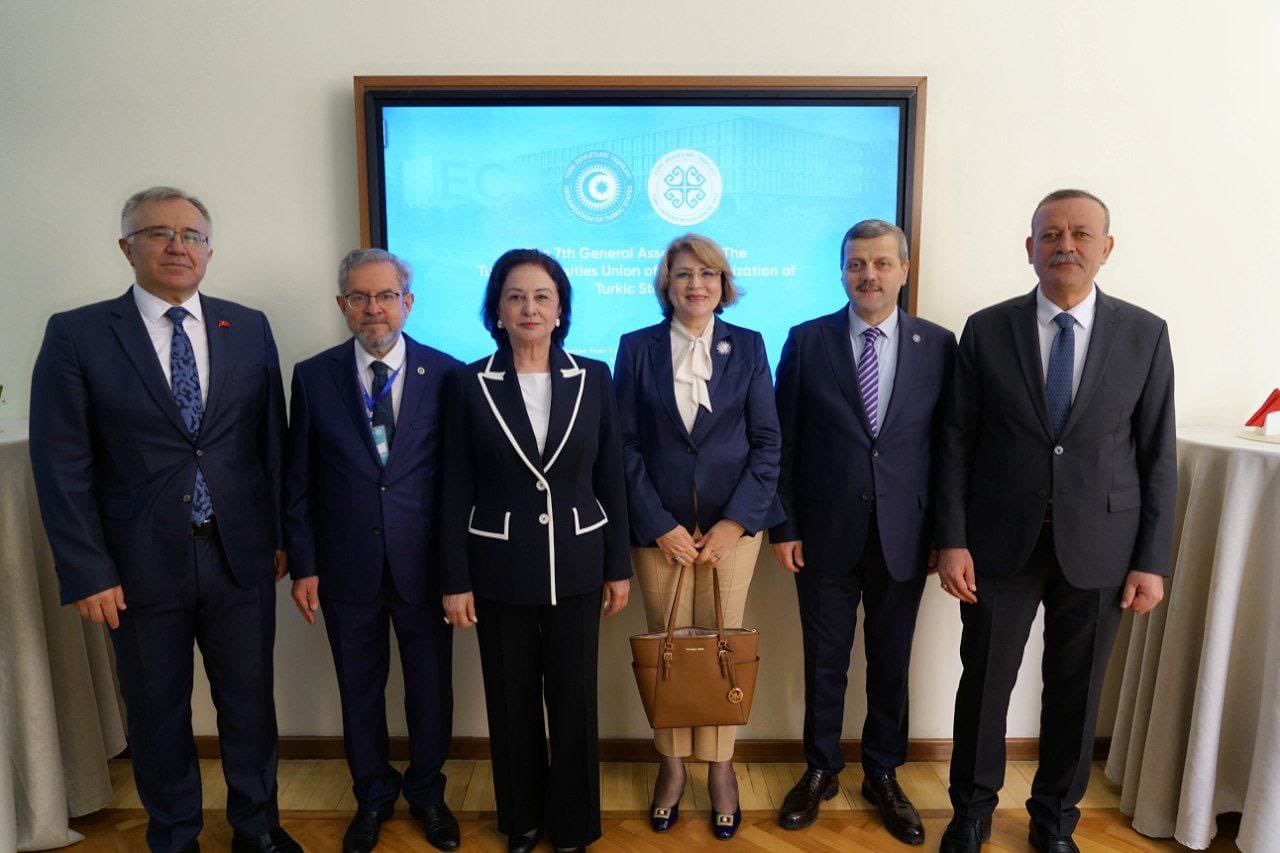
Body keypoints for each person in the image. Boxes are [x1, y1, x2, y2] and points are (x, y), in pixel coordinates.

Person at [28, 187, 298, 853]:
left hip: (239, 554)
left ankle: (257, 827)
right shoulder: (78, 333)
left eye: (192, 235)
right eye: (158, 233)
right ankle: (174, 834)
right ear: (127, 247)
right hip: (136, 563)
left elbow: (272, 443)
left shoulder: (249, 326)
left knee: (250, 703)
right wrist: (87, 569)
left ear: (209, 250)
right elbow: (62, 464)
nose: (178, 246)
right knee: (156, 710)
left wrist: (281, 537)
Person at [935, 190, 1175, 853]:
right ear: (1030, 247)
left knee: (1077, 691)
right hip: (997, 545)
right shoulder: (987, 329)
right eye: (1050, 234)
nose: (1065, 245)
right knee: (985, 684)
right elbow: (956, 441)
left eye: (1081, 233)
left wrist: (1151, 559)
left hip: (1102, 545)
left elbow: (1157, 453)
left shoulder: (1145, 333)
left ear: (1106, 247)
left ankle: (1054, 820)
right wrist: (951, 539)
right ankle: (971, 812)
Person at [770, 220, 956, 844]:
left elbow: (948, 448)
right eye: (856, 264)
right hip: (823, 533)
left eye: (880, 263)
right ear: (842, 271)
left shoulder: (939, 345)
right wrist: (785, 526)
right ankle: (821, 768)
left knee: (891, 662)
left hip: (907, 535)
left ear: (904, 270)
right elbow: (784, 442)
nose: (868, 275)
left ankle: (882, 771)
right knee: (824, 660)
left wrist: (946, 533)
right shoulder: (807, 340)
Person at [439, 249, 631, 853]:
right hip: (498, 566)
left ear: (560, 309)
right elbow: (454, 486)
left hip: (578, 562)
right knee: (510, 701)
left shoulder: (593, 377)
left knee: (575, 704)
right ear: (496, 310)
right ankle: (520, 818)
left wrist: (618, 566)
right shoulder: (468, 383)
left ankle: (572, 825)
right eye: (515, 296)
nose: (529, 307)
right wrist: (454, 579)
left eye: (542, 296)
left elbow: (610, 477)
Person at [282, 248, 461, 852]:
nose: (373, 308)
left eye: (385, 296)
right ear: (342, 305)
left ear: (407, 303)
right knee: (358, 688)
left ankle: (428, 795)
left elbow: (457, 483)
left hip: (424, 568)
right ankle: (372, 797)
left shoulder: (448, 374)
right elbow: (298, 480)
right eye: (359, 297)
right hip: (344, 567)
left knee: (429, 689)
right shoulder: (313, 376)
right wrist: (303, 564)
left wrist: (456, 571)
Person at [613, 233, 783, 840]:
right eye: (684, 274)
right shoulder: (636, 347)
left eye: (708, 274)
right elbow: (624, 444)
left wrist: (735, 523)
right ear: (667, 283)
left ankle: (720, 768)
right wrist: (659, 523)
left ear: (723, 284)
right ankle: (671, 766)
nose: (696, 284)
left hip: (732, 532)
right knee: (666, 651)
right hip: (658, 531)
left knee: (721, 649)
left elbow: (768, 443)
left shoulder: (750, 346)